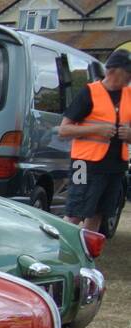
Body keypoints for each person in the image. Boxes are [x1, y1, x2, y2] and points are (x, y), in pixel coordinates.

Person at [59, 49, 131, 232]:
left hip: (115, 168)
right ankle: (64, 254)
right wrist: (97, 129)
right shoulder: (88, 93)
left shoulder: (129, 95)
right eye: (128, 72)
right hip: (82, 165)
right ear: (113, 71)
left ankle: (87, 256)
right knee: (74, 211)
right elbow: (64, 130)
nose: (130, 76)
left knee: (99, 213)